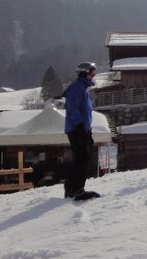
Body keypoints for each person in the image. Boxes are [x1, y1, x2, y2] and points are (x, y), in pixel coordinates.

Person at [63, 62, 98, 199]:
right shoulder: (76, 88)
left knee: (83, 158)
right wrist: (79, 126)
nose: (93, 76)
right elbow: (72, 108)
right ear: (84, 73)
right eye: (91, 73)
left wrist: (86, 128)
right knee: (81, 158)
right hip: (77, 129)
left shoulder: (83, 89)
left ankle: (73, 188)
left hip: (83, 129)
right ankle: (76, 189)